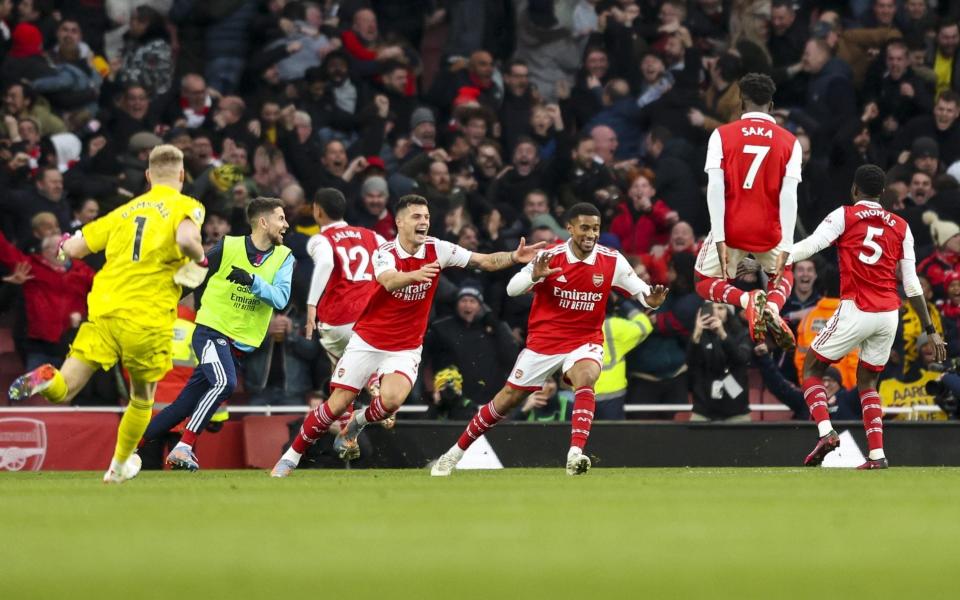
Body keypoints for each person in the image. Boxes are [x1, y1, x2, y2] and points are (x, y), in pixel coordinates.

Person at [271, 194, 546, 477]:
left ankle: (355, 423)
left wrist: (514, 257)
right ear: (400, 222)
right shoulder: (385, 252)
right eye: (416, 217)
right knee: (336, 403)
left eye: (426, 217)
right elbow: (388, 280)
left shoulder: (437, 249)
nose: (423, 222)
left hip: (406, 346)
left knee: (391, 401)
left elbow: (483, 261)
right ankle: (290, 457)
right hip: (368, 339)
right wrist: (414, 276)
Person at [7, 144, 207, 483]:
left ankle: (45, 376)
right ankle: (117, 466)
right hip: (147, 316)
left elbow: (69, 249)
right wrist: (198, 257)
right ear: (183, 175)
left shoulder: (124, 211)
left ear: (147, 177)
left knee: (66, 389)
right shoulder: (187, 206)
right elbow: (187, 239)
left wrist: (65, 245)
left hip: (104, 310)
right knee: (143, 399)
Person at [430, 203, 669, 477]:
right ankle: (453, 454)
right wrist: (533, 275)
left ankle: (575, 454)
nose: (591, 234)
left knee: (588, 375)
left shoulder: (611, 260)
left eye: (596, 228)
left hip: (584, 340)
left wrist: (649, 300)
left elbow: (640, 290)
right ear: (570, 228)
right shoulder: (550, 257)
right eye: (585, 228)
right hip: (544, 343)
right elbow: (511, 289)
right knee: (506, 400)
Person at [774, 164, 947, 469]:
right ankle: (877, 455)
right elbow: (911, 284)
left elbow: (814, 244)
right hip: (889, 314)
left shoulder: (845, 214)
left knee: (812, 368)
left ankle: (826, 432)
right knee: (867, 381)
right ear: (882, 193)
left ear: (855, 190)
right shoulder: (901, 225)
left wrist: (779, 258)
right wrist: (930, 328)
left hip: (857, 307)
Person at [140, 197, 293, 470]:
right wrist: (160, 302)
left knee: (182, 406)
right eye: (281, 218)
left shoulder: (285, 257)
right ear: (263, 222)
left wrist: (253, 281)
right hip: (211, 331)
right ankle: (184, 447)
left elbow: (281, 299)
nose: (286, 225)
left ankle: (128, 449)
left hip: (238, 345)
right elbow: (193, 277)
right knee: (224, 384)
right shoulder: (228, 246)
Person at [695, 72, 802, 351]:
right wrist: (787, 243)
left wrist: (719, 235)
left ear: (741, 103)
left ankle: (746, 300)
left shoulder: (722, 135)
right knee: (785, 274)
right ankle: (774, 308)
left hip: (731, 227)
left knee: (702, 281)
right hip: (770, 229)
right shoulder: (791, 141)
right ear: (772, 104)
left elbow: (715, 187)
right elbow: (789, 196)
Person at [303, 187, 385, 459]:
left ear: (318, 210)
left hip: (338, 317)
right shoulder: (372, 235)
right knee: (349, 370)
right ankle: (373, 384)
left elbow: (326, 263)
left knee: (341, 373)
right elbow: (393, 259)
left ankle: (348, 429)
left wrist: (312, 304)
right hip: (371, 318)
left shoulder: (321, 239)